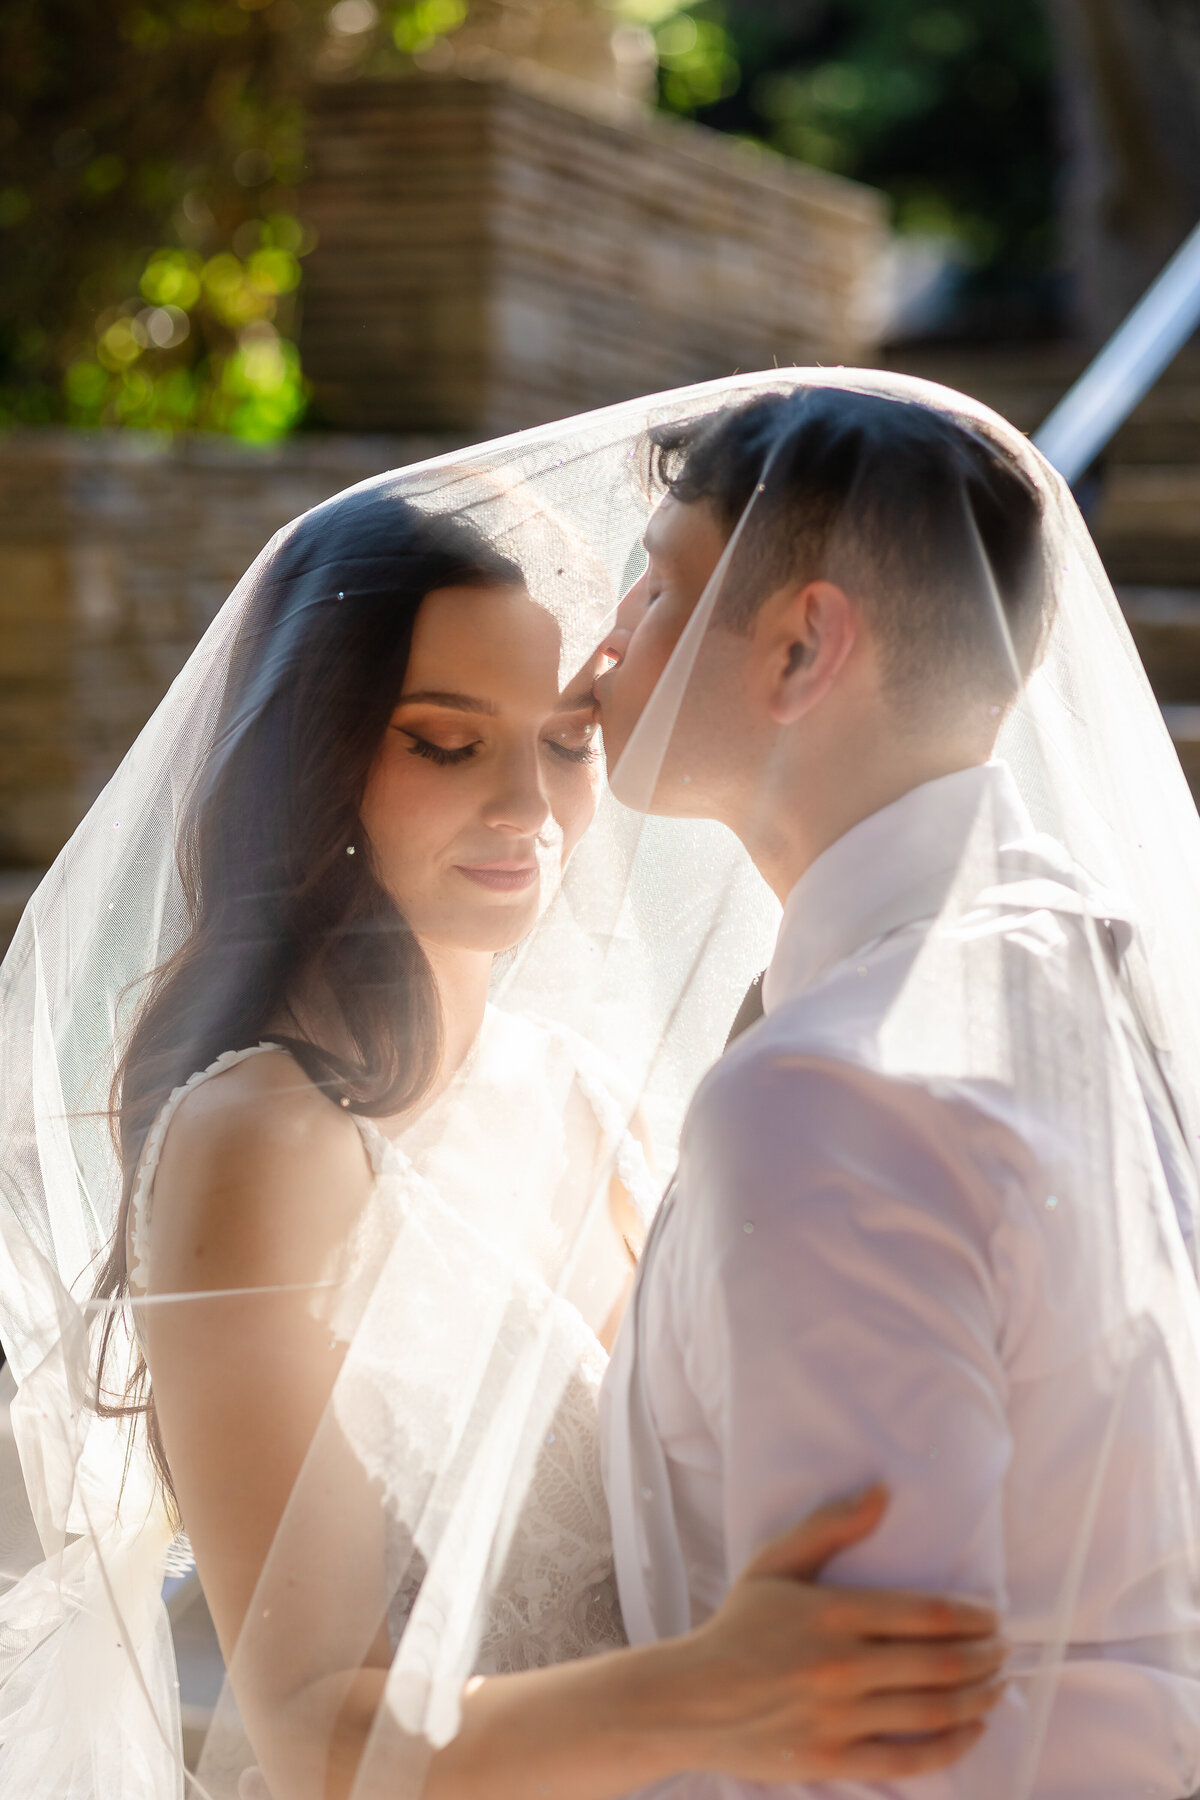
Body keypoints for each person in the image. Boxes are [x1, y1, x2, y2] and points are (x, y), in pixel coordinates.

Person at [14, 481, 1001, 1800]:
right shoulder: (266, 1141)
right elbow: (308, 1726)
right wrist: (720, 1693)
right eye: (445, 742)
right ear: (323, 754)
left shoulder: (592, 1099)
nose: (527, 807)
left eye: (567, 741)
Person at [595, 385, 1200, 1799]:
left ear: (804, 644)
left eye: (659, 589)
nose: (602, 647)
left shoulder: (829, 1092)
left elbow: (872, 1747)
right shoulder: (1083, 968)